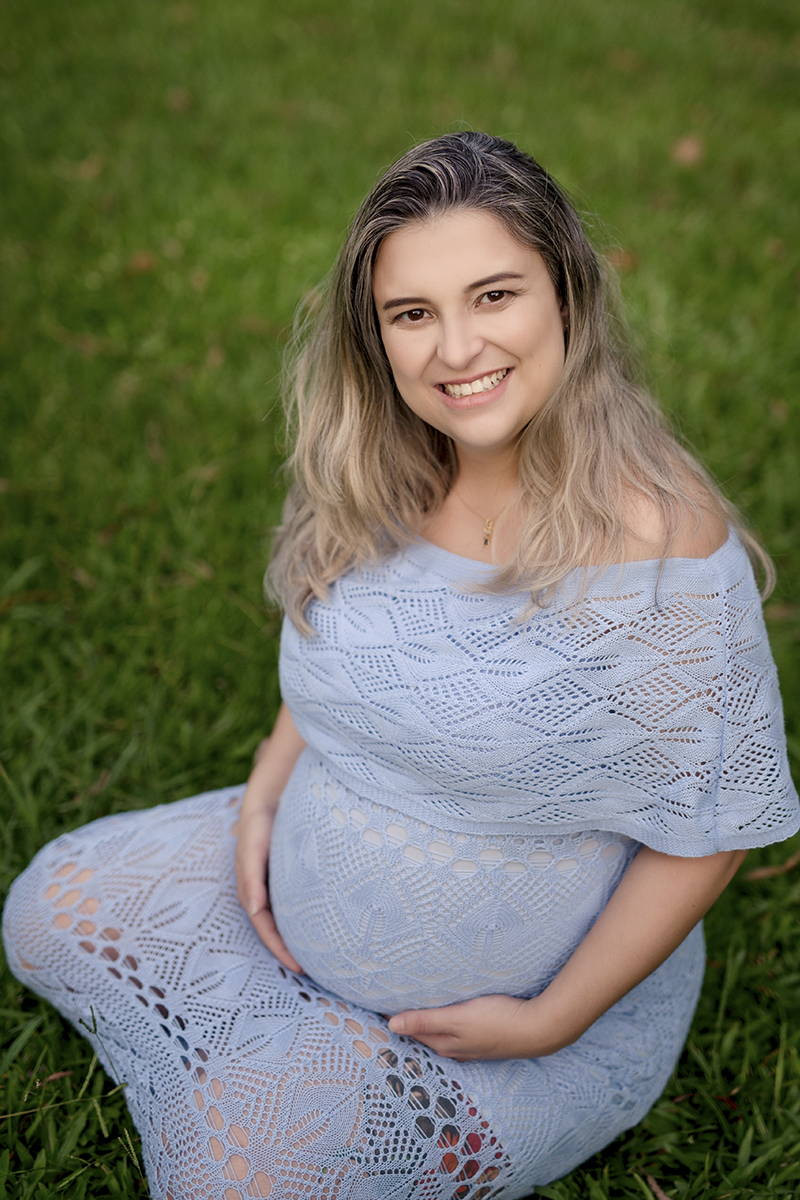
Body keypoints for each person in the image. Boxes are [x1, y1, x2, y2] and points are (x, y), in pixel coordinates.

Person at [3, 131, 798, 1200]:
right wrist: (262, 795)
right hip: (314, 860)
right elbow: (342, 661)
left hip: (513, 1025)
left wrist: (546, 1020)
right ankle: (297, 1056)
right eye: (410, 314)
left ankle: (329, 1087)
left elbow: (706, 831)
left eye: (494, 296)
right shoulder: (375, 466)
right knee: (51, 909)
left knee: (232, 1184)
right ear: (373, 336)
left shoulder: (653, 538)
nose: (454, 349)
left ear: (567, 295)